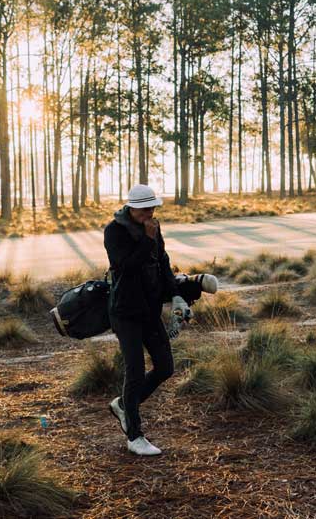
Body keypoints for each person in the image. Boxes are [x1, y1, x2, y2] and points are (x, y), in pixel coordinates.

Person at [104, 183, 178, 456]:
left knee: (165, 367)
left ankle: (124, 405)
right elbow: (125, 267)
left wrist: (176, 296)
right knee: (134, 370)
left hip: (149, 309)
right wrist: (147, 239)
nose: (150, 213)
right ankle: (134, 436)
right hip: (125, 311)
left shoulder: (153, 228)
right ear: (132, 208)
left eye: (153, 208)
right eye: (145, 209)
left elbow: (163, 262)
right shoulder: (114, 231)